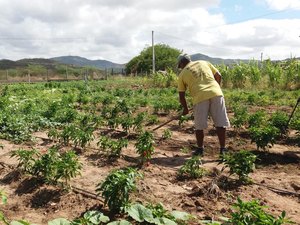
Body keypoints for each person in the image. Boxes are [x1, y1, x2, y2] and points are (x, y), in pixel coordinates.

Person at [177, 53, 230, 156]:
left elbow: (181, 95)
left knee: (199, 126)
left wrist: (185, 109)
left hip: (199, 97)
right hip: (216, 93)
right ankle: (223, 149)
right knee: (220, 123)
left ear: (182, 63)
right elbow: (218, 76)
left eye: (180, 65)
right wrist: (215, 88)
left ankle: (200, 149)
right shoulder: (204, 62)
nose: (180, 68)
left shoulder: (182, 74)